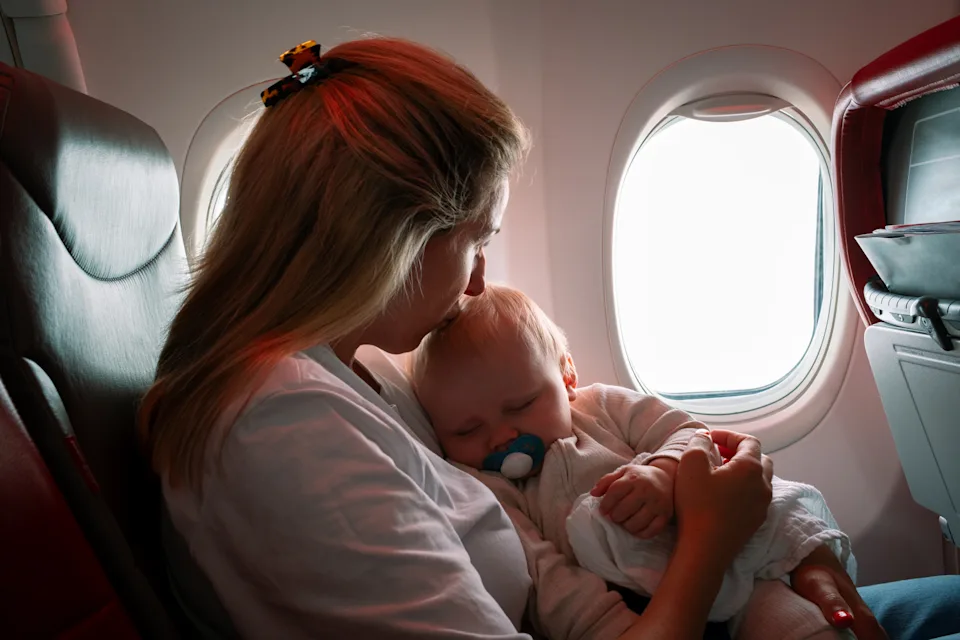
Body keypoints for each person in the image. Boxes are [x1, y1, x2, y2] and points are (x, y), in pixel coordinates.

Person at [139, 36, 960, 640]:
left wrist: (761, 533)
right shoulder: (282, 428)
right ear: (400, 241)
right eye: (473, 243)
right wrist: (711, 534)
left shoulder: (351, 380)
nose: (473, 284)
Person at [410, 283, 861, 640]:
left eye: (522, 404)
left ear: (567, 377)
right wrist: (607, 629)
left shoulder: (603, 406)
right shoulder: (488, 489)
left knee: (800, 626)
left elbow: (691, 434)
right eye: (466, 431)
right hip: (631, 610)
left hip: (729, 567)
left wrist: (663, 472)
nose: (502, 437)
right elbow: (547, 576)